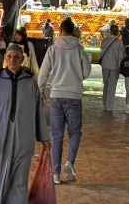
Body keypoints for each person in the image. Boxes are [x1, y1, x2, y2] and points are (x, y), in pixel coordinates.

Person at [0, 43, 50, 204]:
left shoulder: (30, 83)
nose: (12, 60)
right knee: (0, 178)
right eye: (9, 57)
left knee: (20, 180)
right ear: (5, 59)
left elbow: (38, 110)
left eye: (16, 57)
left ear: (22, 59)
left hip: (24, 139)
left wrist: (44, 137)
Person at [38, 18, 91, 185]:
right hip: (74, 96)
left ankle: (55, 174)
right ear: (72, 30)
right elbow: (86, 73)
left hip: (56, 96)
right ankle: (70, 162)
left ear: (60, 30)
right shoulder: (80, 50)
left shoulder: (53, 49)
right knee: (75, 133)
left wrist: (39, 92)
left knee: (57, 136)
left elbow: (43, 74)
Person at [99, 24, 123, 112]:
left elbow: (101, 53)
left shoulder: (104, 41)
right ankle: (109, 106)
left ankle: (104, 103)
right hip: (114, 67)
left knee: (106, 84)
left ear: (110, 31)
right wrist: (120, 67)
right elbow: (120, 57)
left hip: (105, 66)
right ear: (117, 32)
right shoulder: (119, 42)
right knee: (112, 87)